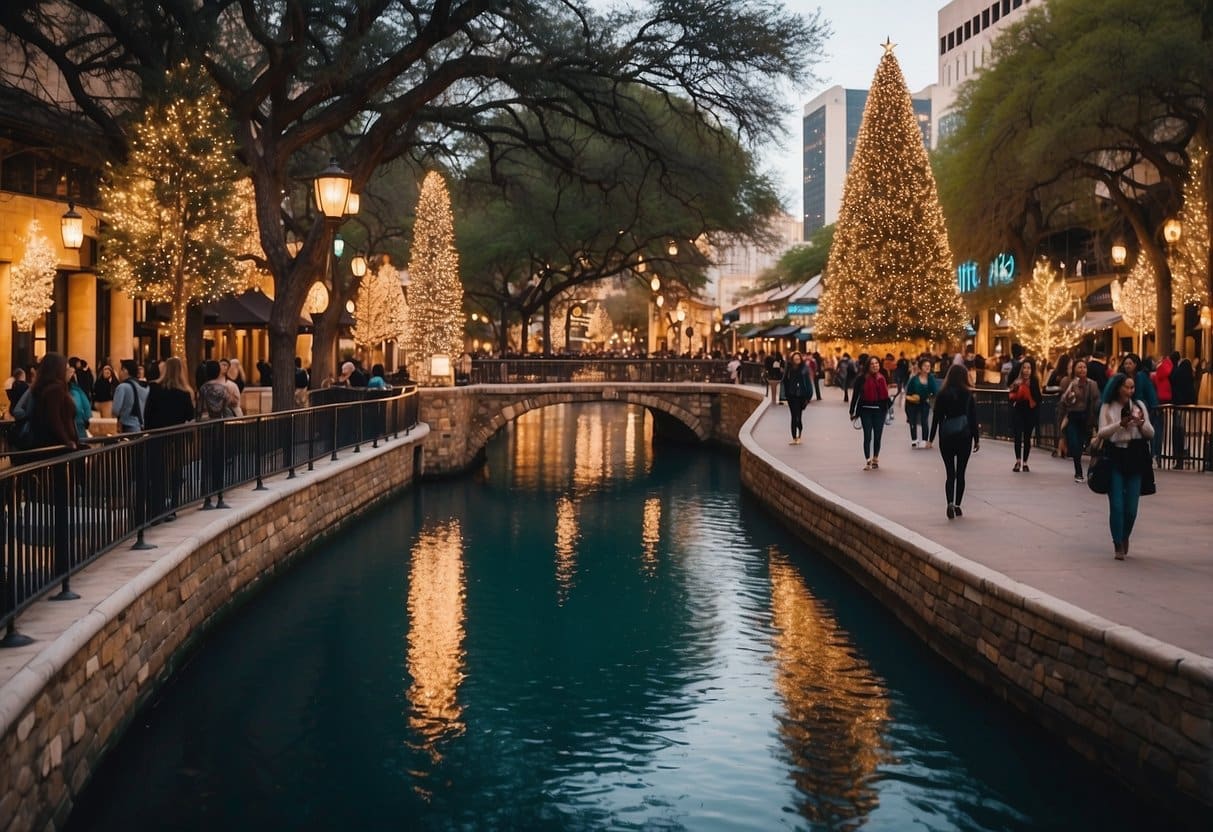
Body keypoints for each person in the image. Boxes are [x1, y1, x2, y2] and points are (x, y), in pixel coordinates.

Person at [1095, 373, 1154, 559]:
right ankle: (1117, 543)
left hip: (1136, 455)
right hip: (1115, 454)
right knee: (1117, 505)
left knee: (1131, 507)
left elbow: (1151, 432)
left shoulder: (1139, 406)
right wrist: (1119, 425)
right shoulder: (1108, 406)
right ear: (1118, 388)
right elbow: (1102, 432)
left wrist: (1141, 424)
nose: (1130, 391)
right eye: (1127, 387)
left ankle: (1125, 534)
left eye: (1132, 388)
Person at [144, 356, 196, 522]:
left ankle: (157, 508)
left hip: (156, 437)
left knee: (157, 473)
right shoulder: (184, 393)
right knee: (175, 471)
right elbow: (189, 415)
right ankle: (173, 506)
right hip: (176, 438)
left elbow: (148, 414)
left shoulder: (154, 388)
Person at [929, 364, 980, 520]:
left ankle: (949, 502)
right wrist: (976, 439)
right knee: (961, 473)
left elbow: (936, 417)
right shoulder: (968, 394)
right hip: (964, 436)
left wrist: (931, 439)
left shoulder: (942, 394)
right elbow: (972, 418)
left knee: (950, 473)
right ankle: (958, 504)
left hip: (947, 436)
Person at [12, 353, 84, 457]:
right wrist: (67, 441)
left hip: (48, 443)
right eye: (65, 368)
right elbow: (54, 419)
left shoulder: (41, 388)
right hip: (57, 446)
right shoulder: (55, 390)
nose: (68, 372)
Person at [1059, 360, 1101, 483]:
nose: (1082, 369)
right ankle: (1078, 471)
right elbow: (1064, 401)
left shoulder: (1092, 384)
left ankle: (1090, 470)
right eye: (1079, 367)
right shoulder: (1070, 383)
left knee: (1086, 443)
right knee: (1075, 444)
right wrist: (1071, 392)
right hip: (1073, 417)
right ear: (1075, 370)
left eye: (1084, 367)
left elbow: (1096, 400)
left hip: (1087, 418)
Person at [849, 356, 891, 470]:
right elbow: (855, 396)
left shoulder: (882, 377)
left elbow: (886, 396)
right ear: (868, 366)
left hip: (879, 411)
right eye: (872, 364)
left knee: (878, 436)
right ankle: (868, 460)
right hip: (865, 410)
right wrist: (852, 411)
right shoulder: (861, 379)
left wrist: (889, 408)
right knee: (867, 436)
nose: (875, 365)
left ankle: (875, 458)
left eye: (876, 363)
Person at [1008, 358, 1041, 472]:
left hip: (1030, 411)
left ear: (1032, 370)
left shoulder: (1034, 382)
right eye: (1024, 368)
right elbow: (1011, 396)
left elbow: (1039, 398)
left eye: (1029, 368)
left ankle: (1025, 462)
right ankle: (1017, 461)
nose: (1026, 371)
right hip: (1018, 410)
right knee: (1017, 436)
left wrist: (1030, 389)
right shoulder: (1017, 381)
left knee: (1027, 437)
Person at [904, 357, 939, 448]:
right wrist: (912, 398)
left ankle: (924, 440)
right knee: (913, 421)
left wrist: (930, 397)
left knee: (924, 421)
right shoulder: (914, 379)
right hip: (913, 403)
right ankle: (914, 439)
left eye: (929, 366)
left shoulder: (931, 378)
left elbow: (935, 391)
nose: (927, 367)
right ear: (920, 367)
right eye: (925, 366)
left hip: (924, 403)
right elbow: (908, 392)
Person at [780, 351, 811, 445]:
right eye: (795, 359)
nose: (797, 360)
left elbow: (808, 383)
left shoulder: (804, 369)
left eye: (798, 359)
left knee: (798, 417)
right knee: (793, 416)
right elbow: (784, 380)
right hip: (791, 395)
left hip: (800, 396)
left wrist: (808, 396)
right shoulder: (789, 369)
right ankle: (794, 437)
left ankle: (799, 433)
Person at [112, 359, 149, 433]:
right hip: (142, 425)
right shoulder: (144, 386)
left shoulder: (122, 387)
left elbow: (115, 410)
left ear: (125, 370)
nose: (119, 373)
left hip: (127, 426)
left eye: (120, 370)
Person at [67, 362, 92, 442]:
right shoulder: (76, 390)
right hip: (77, 426)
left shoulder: (75, 390)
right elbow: (85, 407)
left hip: (76, 426)